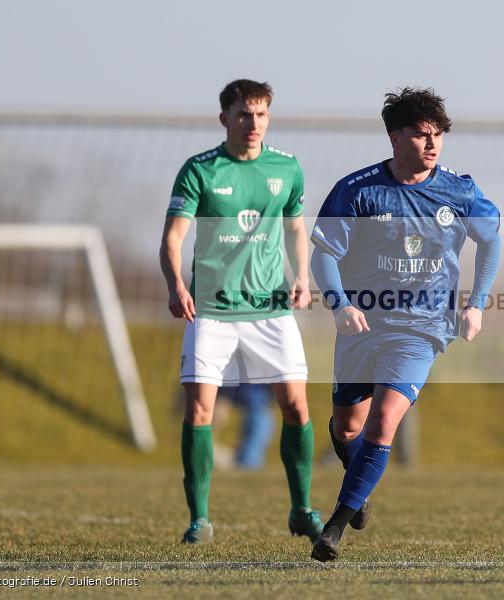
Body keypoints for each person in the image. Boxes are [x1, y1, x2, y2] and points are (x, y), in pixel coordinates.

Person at [308, 87, 501, 562]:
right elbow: (324, 256)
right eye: (420, 134)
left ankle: (333, 527)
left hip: (423, 327)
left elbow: (491, 241)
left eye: (437, 135)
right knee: (344, 426)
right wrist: (339, 305)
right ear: (395, 137)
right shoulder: (358, 190)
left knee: (384, 420)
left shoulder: (459, 190)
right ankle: (359, 493)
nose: (431, 144)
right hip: (362, 324)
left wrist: (476, 304)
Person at [160, 78, 323, 545]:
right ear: (225, 117)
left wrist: (301, 276)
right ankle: (199, 519)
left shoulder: (287, 167)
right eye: (245, 114)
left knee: (296, 405)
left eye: (262, 114)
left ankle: (301, 509)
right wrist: (176, 284)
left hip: (270, 309)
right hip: (211, 310)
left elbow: (295, 228)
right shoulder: (200, 171)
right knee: (199, 411)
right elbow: (173, 238)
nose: (254, 123)